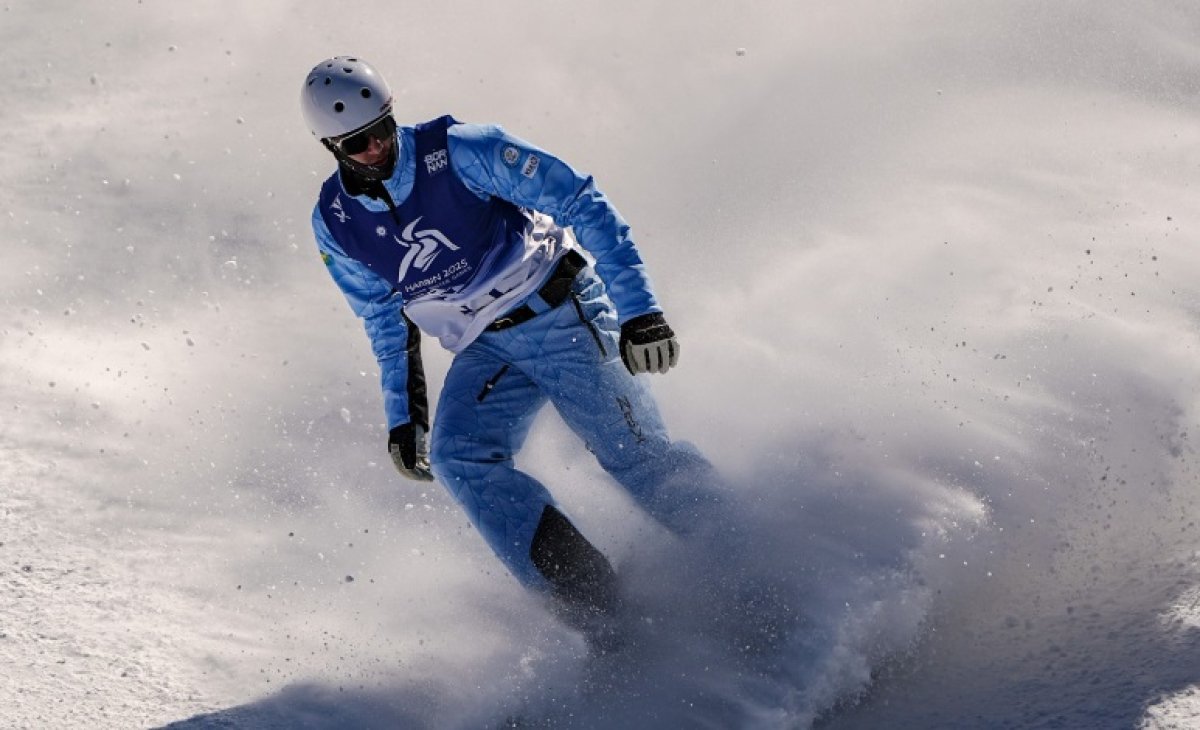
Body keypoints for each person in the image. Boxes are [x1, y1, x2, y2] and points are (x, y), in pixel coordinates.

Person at [300, 56, 718, 645]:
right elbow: (381, 317)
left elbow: (580, 200)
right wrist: (403, 419)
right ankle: (606, 615)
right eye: (358, 143)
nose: (377, 148)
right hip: (485, 347)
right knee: (458, 459)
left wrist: (640, 311)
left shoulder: (462, 150)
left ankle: (759, 566)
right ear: (331, 147)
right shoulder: (335, 224)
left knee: (636, 458)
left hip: (558, 311)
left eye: (383, 128)